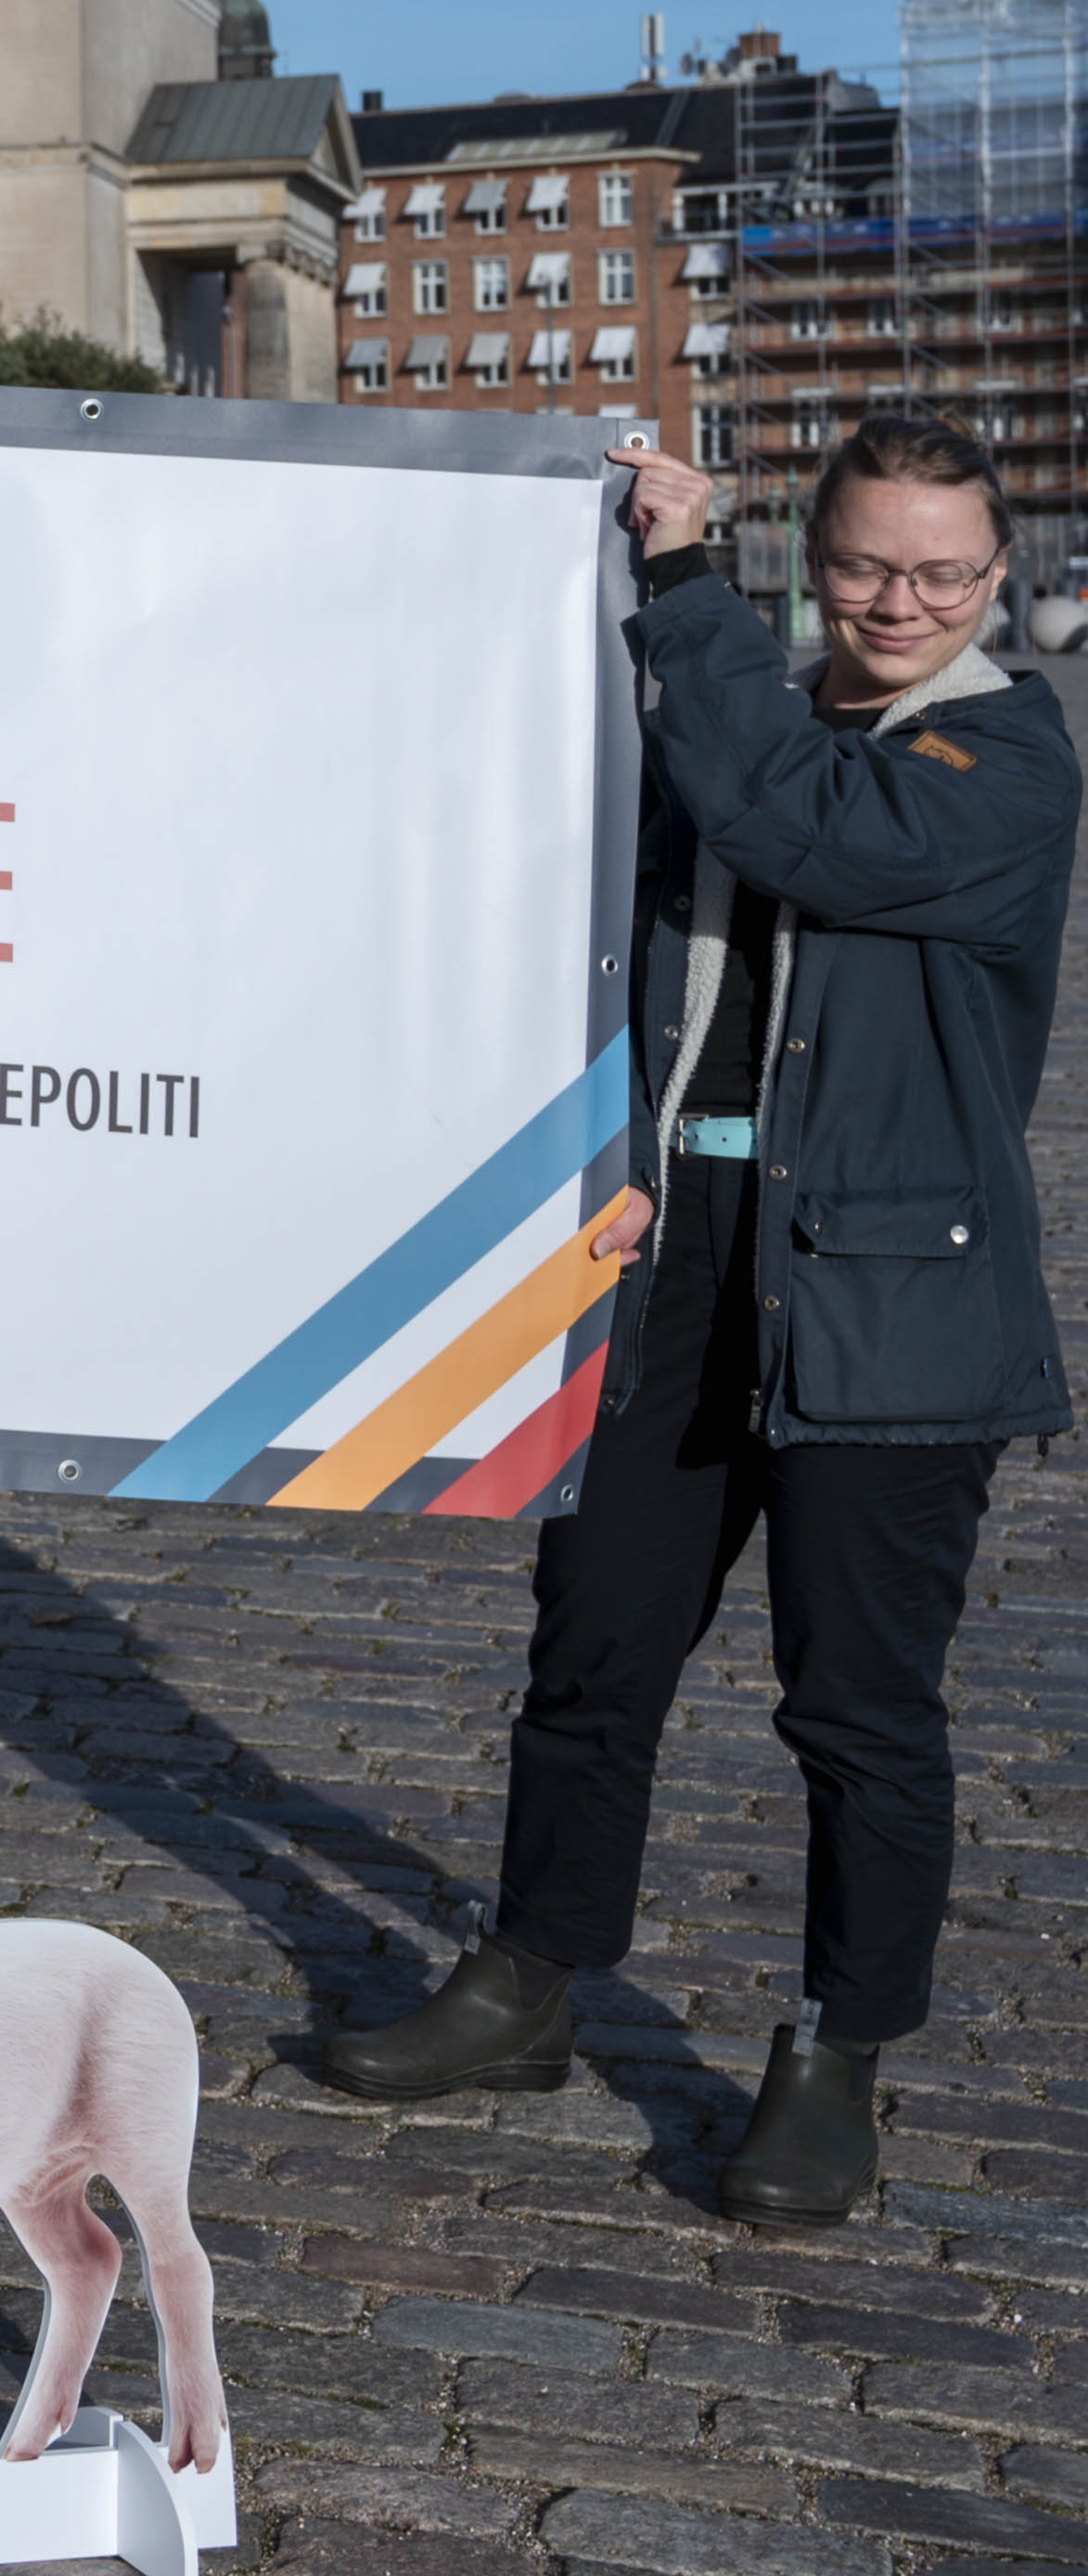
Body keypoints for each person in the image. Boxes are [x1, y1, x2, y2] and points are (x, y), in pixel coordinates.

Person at [326, 412, 1072, 2222]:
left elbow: (794, 820)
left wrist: (676, 584)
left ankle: (836, 2048)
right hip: (672, 1252)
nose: (898, 600)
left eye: (941, 572)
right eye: (865, 563)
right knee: (592, 1648)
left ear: (996, 578)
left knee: (857, 1706)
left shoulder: (1005, 752)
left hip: (893, 1286)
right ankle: (530, 1978)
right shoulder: (741, 710)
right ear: (815, 559)